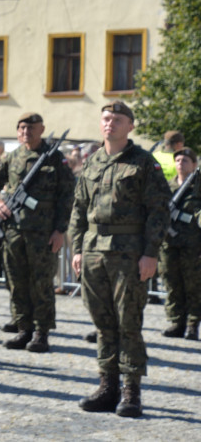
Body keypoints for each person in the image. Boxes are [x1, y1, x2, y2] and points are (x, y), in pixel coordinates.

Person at [69, 101, 170, 418]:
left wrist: (151, 252)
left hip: (129, 253)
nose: (110, 123)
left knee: (128, 322)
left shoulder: (143, 163)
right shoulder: (92, 162)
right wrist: (76, 248)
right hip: (94, 251)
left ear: (130, 126)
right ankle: (107, 386)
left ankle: (131, 391)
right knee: (103, 323)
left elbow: (159, 210)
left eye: (118, 119)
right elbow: (78, 208)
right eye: (106, 118)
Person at [0, 112, 74, 353]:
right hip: (14, 230)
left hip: (43, 233)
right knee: (16, 281)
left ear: (42, 129)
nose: (27, 131)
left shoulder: (55, 159)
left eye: (31, 127)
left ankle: (41, 333)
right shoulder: (12, 157)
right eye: (22, 127)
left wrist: (59, 230)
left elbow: (67, 196)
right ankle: (23, 328)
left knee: (42, 283)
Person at [158, 147, 201, 340]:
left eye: (185, 161)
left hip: (192, 245)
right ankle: (177, 322)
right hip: (169, 243)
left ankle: (192, 324)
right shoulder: (167, 187)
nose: (180, 164)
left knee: (193, 284)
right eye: (178, 160)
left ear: (194, 164)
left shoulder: (198, 188)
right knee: (172, 283)